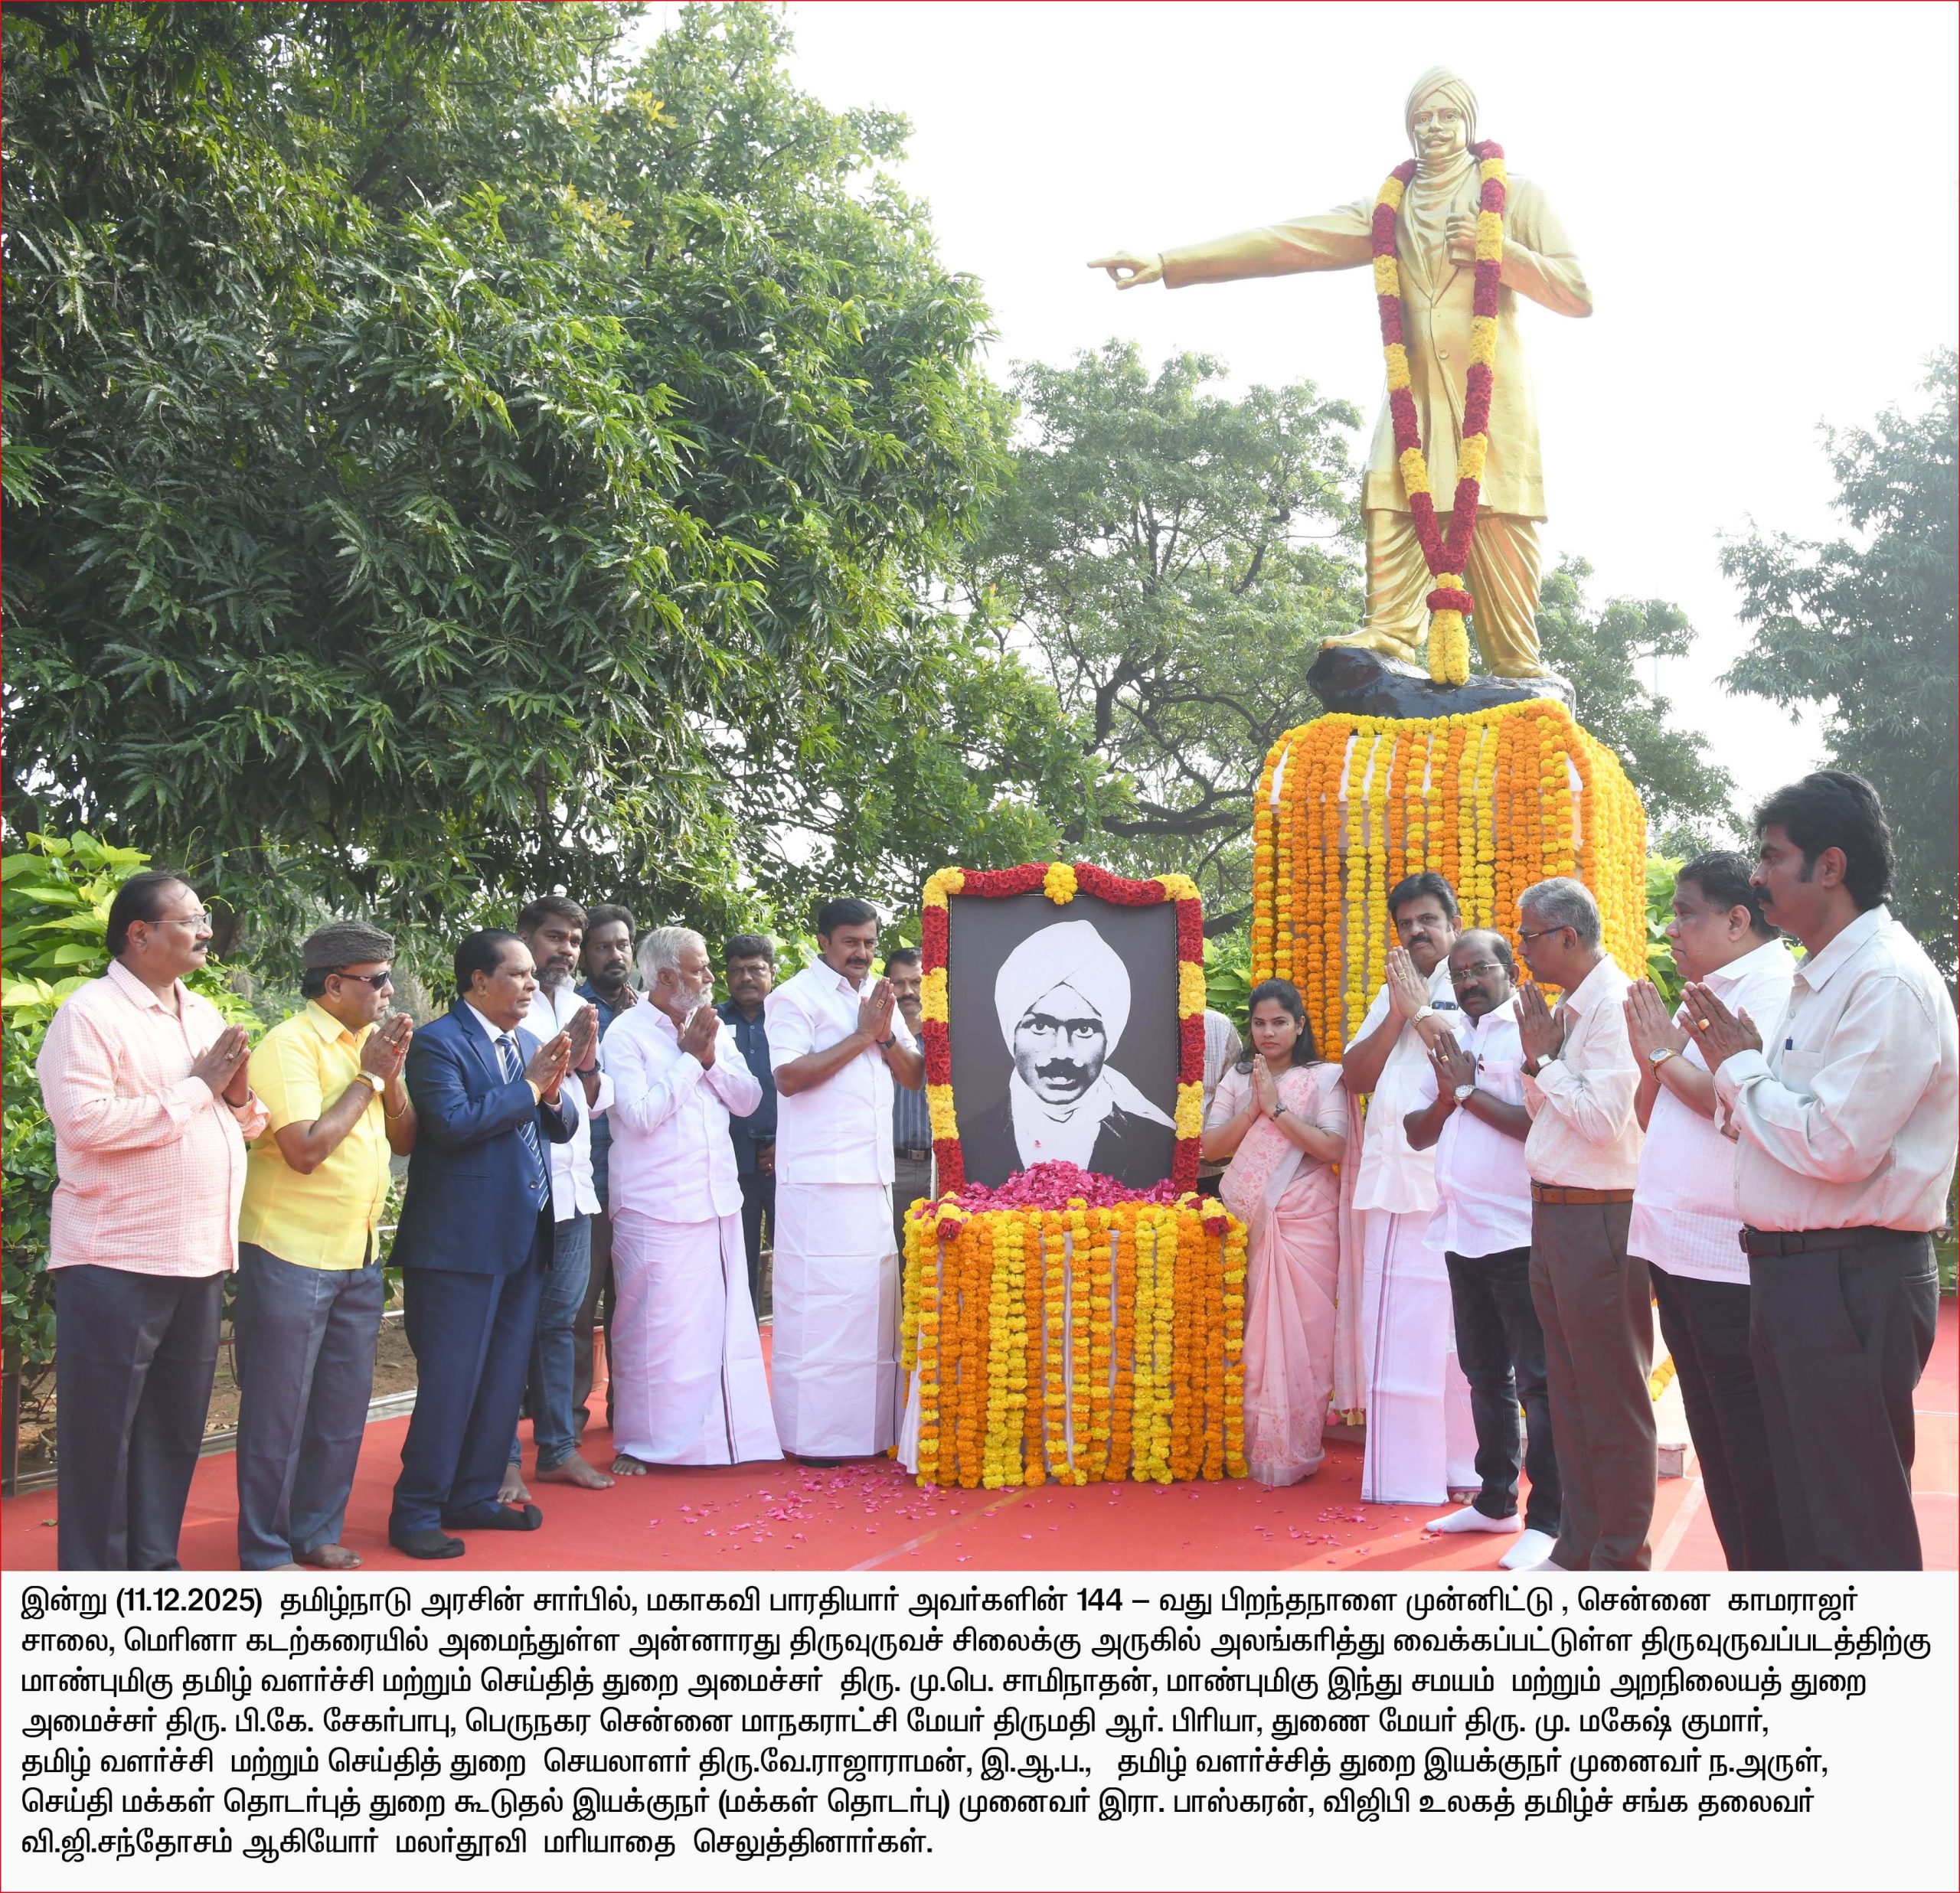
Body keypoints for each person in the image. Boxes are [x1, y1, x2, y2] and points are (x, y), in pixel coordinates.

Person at [1090, 67, 1591, 677]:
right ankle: (1390, 630)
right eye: (1421, 118)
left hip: (1493, 407)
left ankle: (1516, 664)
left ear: (1470, 122)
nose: (1433, 129)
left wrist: (1499, 250)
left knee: (1499, 527)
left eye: (1446, 116)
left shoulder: (1516, 196)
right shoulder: (1389, 208)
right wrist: (1169, 262)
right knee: (1390, 495)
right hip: (1412, 399)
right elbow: (1288, 241)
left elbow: (1576, 293)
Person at [1693, 772, 1958, 1571]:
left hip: (1847, 1278)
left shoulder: (1883, 980)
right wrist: (1742, 1080)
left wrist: (1738, 1071)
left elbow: (1838, 1146)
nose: (1758, 874)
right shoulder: (1822, 976)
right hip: (1801, 1276)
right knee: (1807, 1521)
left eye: (1773, 856)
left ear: (1830, 866)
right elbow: (1776, 1118)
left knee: (1852, 1530)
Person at [37, 872, 268, 1570]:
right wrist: (197, 1088)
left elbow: (247, 1122)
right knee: (102, 1436)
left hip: (198, 1255)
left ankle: (154, 1570)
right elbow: (84, 1124)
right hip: (115, 1258)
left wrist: (235, 1096)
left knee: (172, 1430)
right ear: (139, 934)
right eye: (189, 919)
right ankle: (93, 1590)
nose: (205, 930)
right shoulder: (90, 1014)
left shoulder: (202, 1013)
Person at [1622, 854, 1795, 1571]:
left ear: (1737, 919)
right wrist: (1653, 1057)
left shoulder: (1772, 988)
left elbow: (1738, 1107)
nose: (1671, 929)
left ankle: (1768, 1585)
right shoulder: (1704, 990)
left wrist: (1663, 1053)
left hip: (1729, 1253)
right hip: (1676, 1245)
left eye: (1686, 913)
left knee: (1749, 1445)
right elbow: (1652, 1111)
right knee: (1715, 1436)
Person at [387, 929, 577, 1558]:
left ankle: (472, 1494)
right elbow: (451, 1124)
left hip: (524, 1236)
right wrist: (529, 1088)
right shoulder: (439, 1042)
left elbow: (562, 1124)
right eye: (518, 974)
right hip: (458, 1244)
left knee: (501, 1380)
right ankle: (416, 1509)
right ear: (478, 980)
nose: (531, 984)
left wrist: (551, 1091)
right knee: (451, 1382)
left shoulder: (525, 1045)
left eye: (531, 976)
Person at [234, 920, 416, 1572]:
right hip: (291, 1250)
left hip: (357, 1251)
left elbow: (405, 1140)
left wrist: (390, 1077)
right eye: (378, 979)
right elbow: (305, 1149)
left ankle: (314, 1531)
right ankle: (264, 1547)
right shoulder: (289, 1044)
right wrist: (368, 1078)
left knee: (341, 1409)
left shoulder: (370, 1045)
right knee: (279, 1409)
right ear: (334, 985)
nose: (389, 990)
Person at [1403, 932, 1557, 1571]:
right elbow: (1416, 1134)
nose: (1468, 981)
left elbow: (1539, 1124)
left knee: (1538, 1382)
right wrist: (1448, 1096)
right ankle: (1495, 1501)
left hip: (1519, 1233)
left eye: (1480, 968)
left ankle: (1550, 1519)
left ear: (1510, 969)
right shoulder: (1451, 1037)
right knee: (1483, 1374)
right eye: (1458, 972)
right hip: (1461, 1231)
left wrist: (1468, 1092)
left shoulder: (1531, 1032)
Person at [602, 928, 780, 1474]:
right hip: (654, 1205)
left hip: (716, 1198)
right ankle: (643, 1442)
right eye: (698, 968)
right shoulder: (626, 1033)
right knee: (653, 1330)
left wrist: (709, 1057)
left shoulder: (711, 1026)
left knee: (714, 1330)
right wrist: (690, 1061)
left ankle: (714, 1438)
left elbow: (748, 1100)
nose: (709, 977)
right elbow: (639, 1115)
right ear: (664, 976)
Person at [1515, 876, 1647, 1572]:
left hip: (1599, 1216)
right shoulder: (1568, 1007)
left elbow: (1601, 1120)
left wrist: (1543, 1060)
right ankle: (1578, 1545)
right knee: (1568, 1391)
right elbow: (1546, 1113)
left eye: (1530, 935)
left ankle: (1620, 1558)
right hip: (1555, 1211)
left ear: (1569, 936)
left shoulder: (1614, 1004)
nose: (1521, 949)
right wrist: (1539, 1063)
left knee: (1611, 1395)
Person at [767, 898, 924, 1464]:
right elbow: (788, 1077)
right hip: (818, 1183)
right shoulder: (793, 997)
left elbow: (914, 1076)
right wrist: (862, 1036)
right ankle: (813, 1438)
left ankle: (869, 1432)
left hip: (872, 1177)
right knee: (820, 1312)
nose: (863, 953)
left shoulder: (879, 996)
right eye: (851, 942)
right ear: (823, 941)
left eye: (870, 942)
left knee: (869, 1312)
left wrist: (884, 1037)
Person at [1340, 871, 1476, 1506]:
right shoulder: (1393, 990)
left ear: (1454, 923)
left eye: (1428, 920)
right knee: (1398, 1331)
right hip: (1394, 1186)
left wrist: (1420, 1009)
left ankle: (1463, 1466)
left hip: (1451, 1184)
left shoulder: (1476, 980)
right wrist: (1397, 1010)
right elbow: (1356, 1074)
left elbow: (1468, 1065)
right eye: (1405, 924)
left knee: (1457, 1335)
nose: (1416, 931)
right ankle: (1407, 1475)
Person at [1200, 980, 1347, 1486]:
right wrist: (1255, 1108)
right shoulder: (1240, 1078)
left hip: (1308, 1217)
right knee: (1254, 1335)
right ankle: (1253, 1444)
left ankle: (1297, 1443)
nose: (1268, 1032)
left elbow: (1332, 1148)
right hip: (1250, 1219)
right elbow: (1211, 1147)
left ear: (1299, 1025)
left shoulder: (1324, 1077)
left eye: (1280, 1022)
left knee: (1305, 1330)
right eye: (1259, 1023)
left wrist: (1278, 1110)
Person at [503, 896, 612, 1499]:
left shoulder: (578, 1006)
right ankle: (498, 1457)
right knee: (509, 1325)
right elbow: (509, 1094)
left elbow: (595, 1100)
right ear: (525, 938)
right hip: (522, 1191)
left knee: (563, 1323)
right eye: (555, 937)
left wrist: (587, 1064)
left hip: (576, 1189)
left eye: (573, 939)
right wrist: (562, 1056)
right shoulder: (505, 1003)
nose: (566, 950)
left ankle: (557, 1448)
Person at [960, 919, 1178, 1188]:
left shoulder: (1156, 1144)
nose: (1061, 1053)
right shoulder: (966, 1142)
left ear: (1109, 1039)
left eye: (1084, 1029)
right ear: (1011, 1033)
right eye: (1040, 1026)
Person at [572, 902, 639, 1441]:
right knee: (577, 1305)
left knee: (633, 1305)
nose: (614, 955)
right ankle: (567, 1420)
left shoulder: (649, 1011)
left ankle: (631, 1411)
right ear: (585, 955)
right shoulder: (572, 1010)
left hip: (639, 1183)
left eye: (621, 945)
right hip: (587, 1180)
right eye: (602, 947)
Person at [719, 934, 779, 1313]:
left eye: (755, 969)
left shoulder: (790, 1017)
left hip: (786, 1160)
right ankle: (744, 1342)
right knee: (736, 1265)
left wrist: (786, 1141)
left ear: (772, 972)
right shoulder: (711, 1021)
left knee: (792, 1259)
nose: (746, 978)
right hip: (730, 1162)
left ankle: (793, 1342)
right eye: (737, 970)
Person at [886, 947, 935, 1248]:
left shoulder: (948, 1039)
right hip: (892, 1168)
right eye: (899, 984)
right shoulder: (875, 1039)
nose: (908, 992)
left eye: (916, 982)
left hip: (939, 1168)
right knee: (892, 1259)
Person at [1196, 1008, 1244, 1193]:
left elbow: (1238, 1096)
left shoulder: (1219, 1027)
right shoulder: (1135, 1024)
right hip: (1145, 1171)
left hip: (1209, 1171)